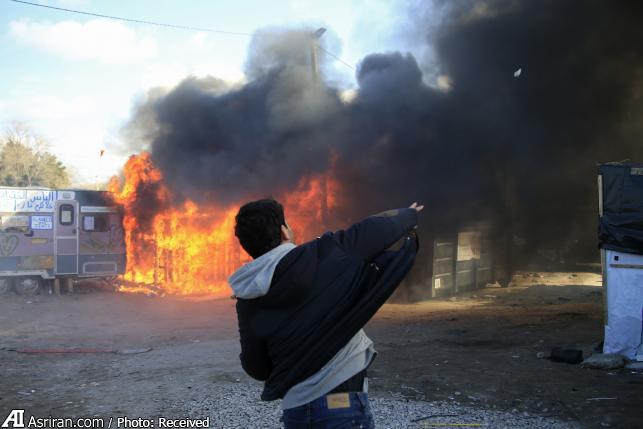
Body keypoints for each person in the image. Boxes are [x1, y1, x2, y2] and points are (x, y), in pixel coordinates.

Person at [229, 199, 422, 428]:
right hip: (341, 406)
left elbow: (256, 366)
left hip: (296, 410)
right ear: (284, 232)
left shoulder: (248, 299)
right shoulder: (321, 254)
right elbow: (369, 232)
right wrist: (407, 215)